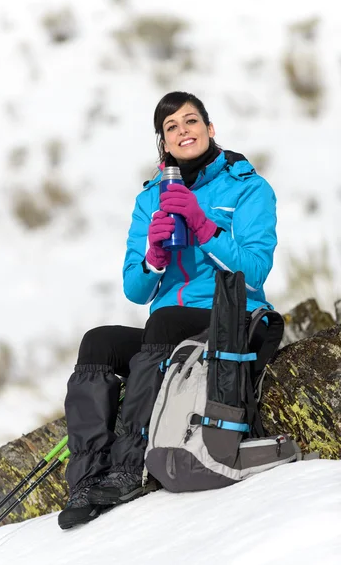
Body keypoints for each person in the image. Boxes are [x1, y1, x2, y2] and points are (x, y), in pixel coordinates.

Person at [58, 91, 277, 530]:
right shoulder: (150, 199)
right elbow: (135, 290)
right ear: (163, 144)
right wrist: (154, 257)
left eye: (191, 121)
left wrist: (204, 226)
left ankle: (130, 465)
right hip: (168, 331)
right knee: (97, 341)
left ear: (210, 129)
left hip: (236, 319)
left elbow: (255, 270)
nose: (183, 131)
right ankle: (87, 478)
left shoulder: (247, 186)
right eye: (171, 127)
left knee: (164, 321)